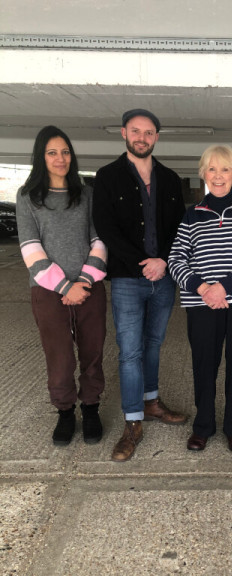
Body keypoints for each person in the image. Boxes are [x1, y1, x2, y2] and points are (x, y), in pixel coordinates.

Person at [93, 108, 187, 462]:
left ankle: (151, 401)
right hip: (128, 279)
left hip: (163, 276)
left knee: (153, 343)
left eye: (149, 133)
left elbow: (179, 226)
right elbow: (106, 227)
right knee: (129, 350)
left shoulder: (170, 178)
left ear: (156, 137)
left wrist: (162, 260)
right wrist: (141, 263)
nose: (142, 138)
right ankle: (133, 422)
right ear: (124, 133)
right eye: (136, 131)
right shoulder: (107, 176)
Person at [168, 145, 232, 453]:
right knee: (204, 365)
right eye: (212, 169)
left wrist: (224, 287)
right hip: (202, 303)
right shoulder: (190, 216)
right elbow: (175, 258)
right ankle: (204, 426)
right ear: (203, 174)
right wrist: (203, 288)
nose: (219, 175)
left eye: (225, 169)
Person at [16, 125, 107, 446]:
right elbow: (29, 246)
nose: (60, 158)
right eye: (52, 153)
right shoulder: (28, 197)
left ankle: (92, 407)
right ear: (41, 157)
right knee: (60, 356)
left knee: (92, 351)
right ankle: (66, 411)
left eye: (65, 152)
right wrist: (64, 286)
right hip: (47, 290)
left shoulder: (86, 194)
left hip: (90, 287)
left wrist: (83, 281)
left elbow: (99, 239)